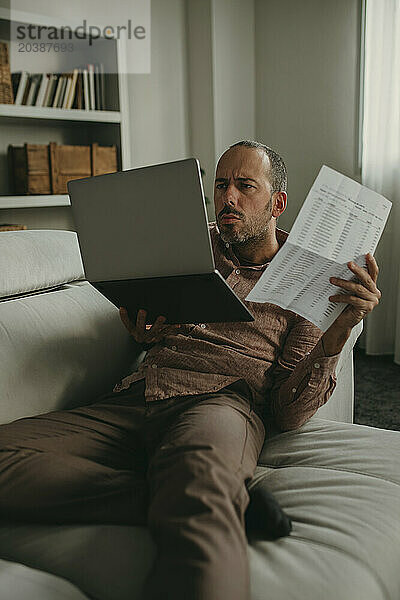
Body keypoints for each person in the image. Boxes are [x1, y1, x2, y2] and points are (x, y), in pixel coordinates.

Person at [0, 141, 381, 600]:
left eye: (245, 186)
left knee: (199, 491)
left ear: (278, 202)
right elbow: (147, 319)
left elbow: (289, 412)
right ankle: (179, 495)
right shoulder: (188, 247)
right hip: (138, 394)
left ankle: (198, 494)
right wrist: (141, 328)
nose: (228, 199)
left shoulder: (311, 281)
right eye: (221, 186)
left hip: (221, 401)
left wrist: (338, 332)